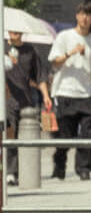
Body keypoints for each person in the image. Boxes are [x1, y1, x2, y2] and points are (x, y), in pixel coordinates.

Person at [48, 2, 91, 181]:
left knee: (88, 134)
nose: (85, 18)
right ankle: (59, 164)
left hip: (87, 94)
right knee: (64, 136)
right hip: (65, 91)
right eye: (82, 13)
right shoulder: (64, 37)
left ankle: (84, 168)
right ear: (76, 16)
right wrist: (70, 53)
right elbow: (54, 62)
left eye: (89, 15)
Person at [4, 25, 51, 184]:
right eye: (11, 29)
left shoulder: (31, 51)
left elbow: (40, 75)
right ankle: (10, 171)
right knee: (9, 136)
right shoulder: (3, 47)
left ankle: (20, 171)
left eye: (17, 29)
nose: (14, 31)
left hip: (25, 101)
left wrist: (45, 95)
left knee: (22, 138)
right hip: (6, 101)